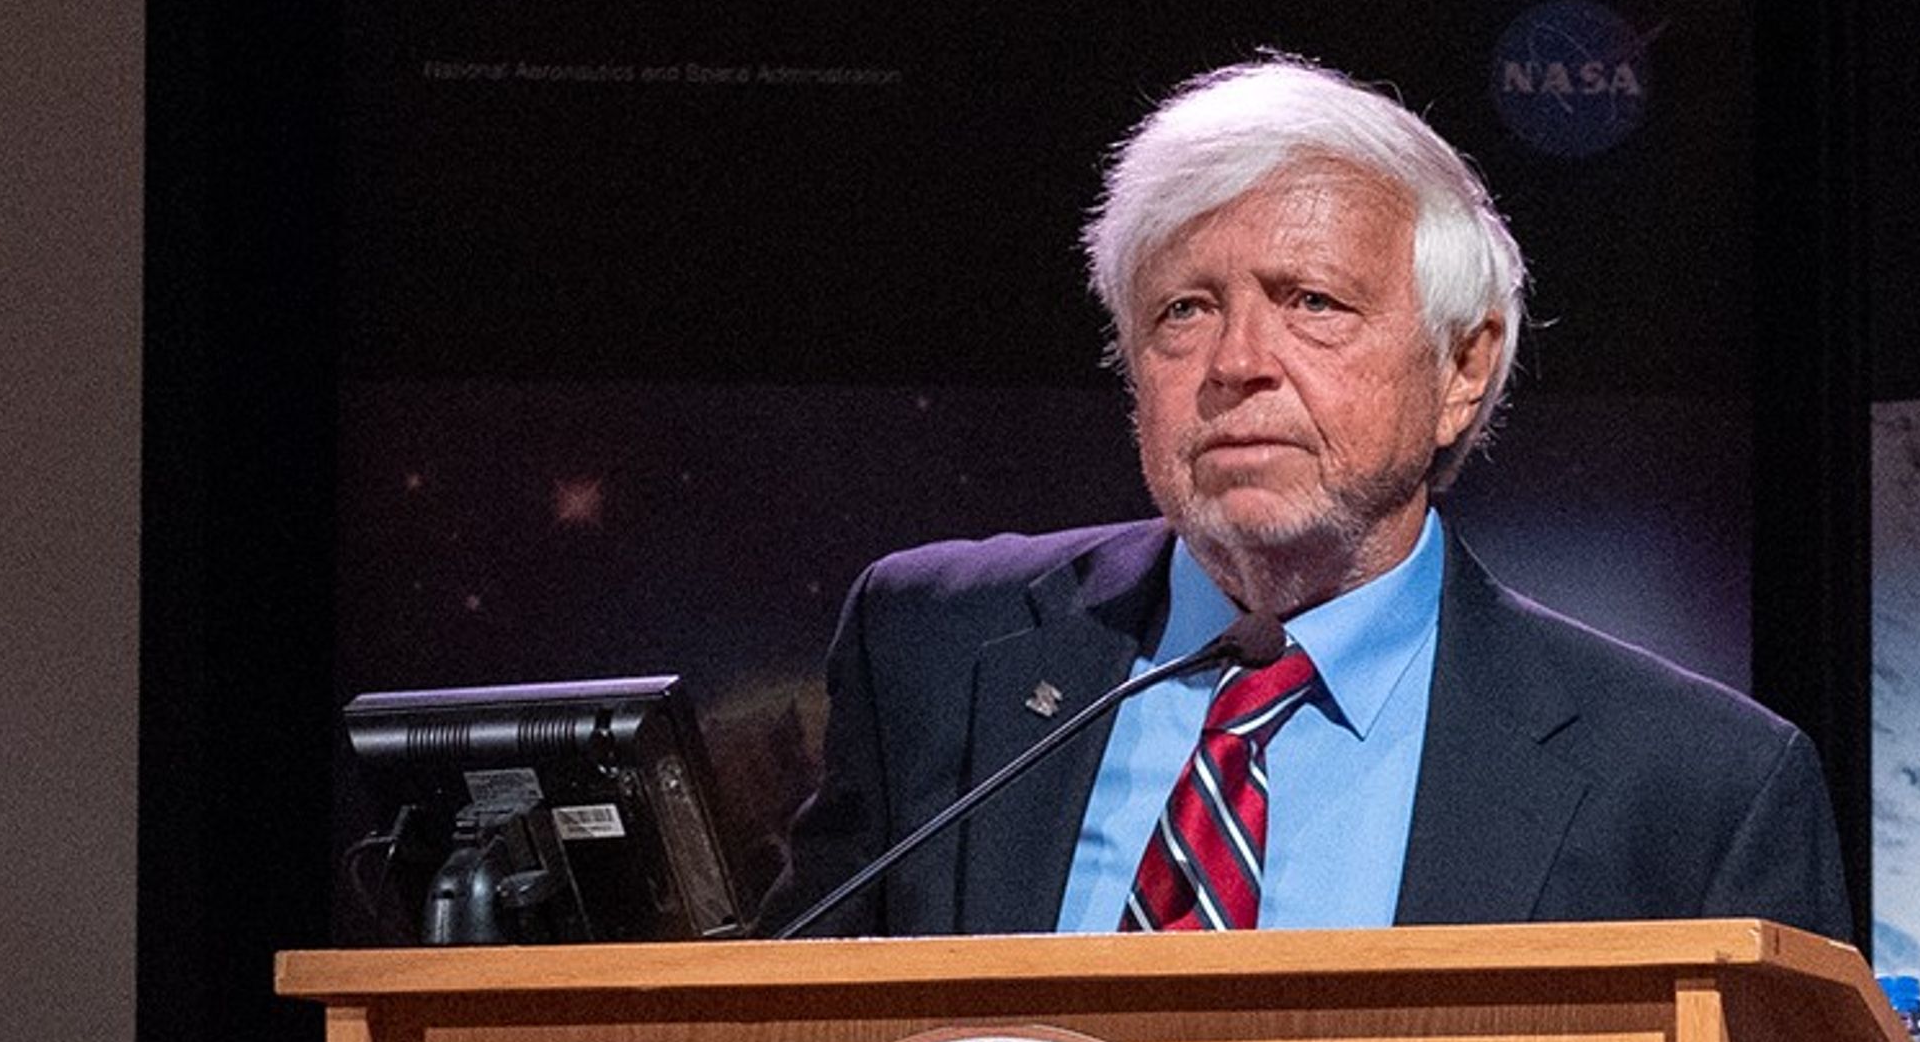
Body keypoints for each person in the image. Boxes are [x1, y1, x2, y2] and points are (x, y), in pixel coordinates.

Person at [758, 54, 1852, 943]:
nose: (1238, 361)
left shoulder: (1695, 788)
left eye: (1313, 302)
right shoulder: (940, 651)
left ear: (1462, 370)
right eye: (1183, 311)